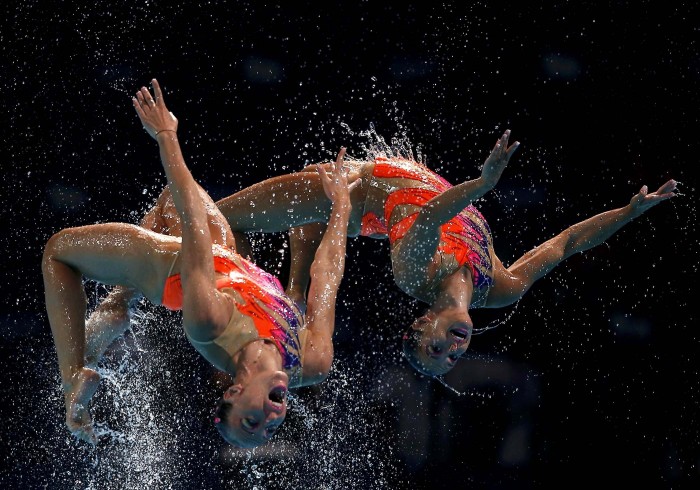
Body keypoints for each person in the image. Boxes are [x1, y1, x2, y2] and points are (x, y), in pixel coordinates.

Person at [42, 78, 356, 448]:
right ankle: (118, 303)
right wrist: (342, 209)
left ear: (235, 392)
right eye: (270, 430)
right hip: (225, 254)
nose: (271, 420)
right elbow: (328, 276)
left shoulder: (210, 322)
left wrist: (165, 133)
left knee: (57, 253)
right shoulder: (312, 361)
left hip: (172, 268)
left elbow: (194, 226)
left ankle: (72, 378)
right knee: (167, 204)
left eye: (251, 421)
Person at [213, 130, 678, 378]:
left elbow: (433, 216)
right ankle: (280, 292)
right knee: (268, 243)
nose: (454, 347)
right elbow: (566, 244)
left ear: (421, 323)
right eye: (451, 357)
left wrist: (483, 184)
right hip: (368, 212)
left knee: (221, 217)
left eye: (436, 347)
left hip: (355, 188)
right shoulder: (500, 287)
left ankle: (247, 295)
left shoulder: (414, 273)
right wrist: (630, 211)